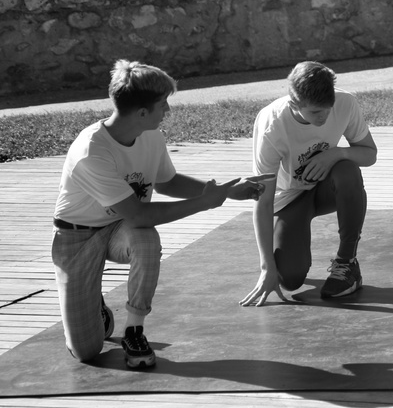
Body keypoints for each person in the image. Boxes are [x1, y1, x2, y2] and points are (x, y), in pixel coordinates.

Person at [53, 59, 267, 369]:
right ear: (142, 113)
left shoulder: (151, 134)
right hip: (77, 235)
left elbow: (167, 182)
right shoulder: (92, 151)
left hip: (119, 227)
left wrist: (226, 191)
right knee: (86, 351)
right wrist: (206, 203)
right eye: (163, 103)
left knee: (146, 241)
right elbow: (139, 214)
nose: (167, 109)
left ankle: (133, 330)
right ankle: (94, 303)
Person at [241, 60, 377, 307]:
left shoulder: (345, 103)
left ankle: (347, 263)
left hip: (326, 189)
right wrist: (266, 268)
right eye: (315, 112)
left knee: (347, 169)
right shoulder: (272, 125)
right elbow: (263, 201)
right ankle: (287, 256)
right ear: (294, 103)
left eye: (328, 109)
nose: (324, 117)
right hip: (289, 200)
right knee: (290, 279)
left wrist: (336, 153)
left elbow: (369, 154)